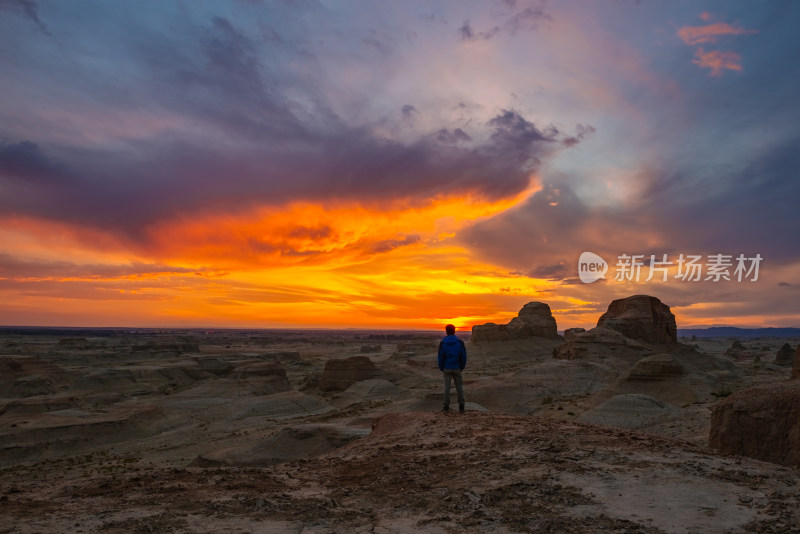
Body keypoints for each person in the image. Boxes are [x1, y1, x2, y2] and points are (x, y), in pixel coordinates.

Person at [437, 324, 467, 412]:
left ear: (446, 331)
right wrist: (461, 367)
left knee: (447, 388)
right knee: (459, 388)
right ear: (454, 331)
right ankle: (461, 407)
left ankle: (446, 406)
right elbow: (463, 356)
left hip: (447, 367)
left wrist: (442, 367)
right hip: (457, 367)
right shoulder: (460, 342)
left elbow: (440, 357)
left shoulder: (443, 343)